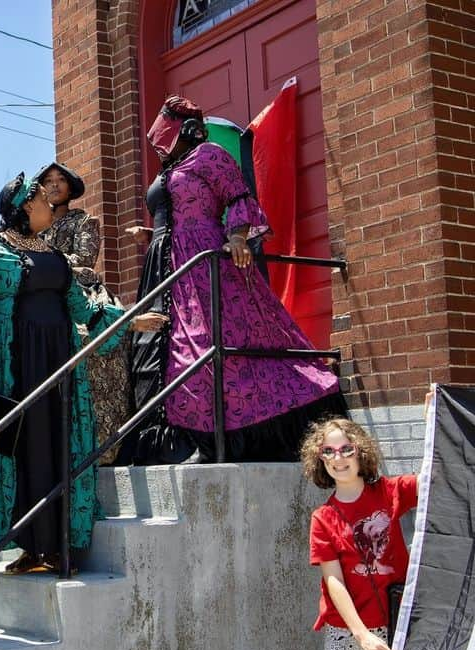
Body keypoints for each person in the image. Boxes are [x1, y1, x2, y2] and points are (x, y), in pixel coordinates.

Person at [119, 95, 345, 465]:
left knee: (202, 346)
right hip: (166, 266)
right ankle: (175, 442)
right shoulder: (173, 167)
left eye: (167, 125)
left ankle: (213, 440)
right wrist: (152, 232)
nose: (159, 136)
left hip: (201, 263)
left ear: (185, 127)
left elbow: (237, 196)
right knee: (169, 349)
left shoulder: (209, 154)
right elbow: (177, 211)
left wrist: (238, 237)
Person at [0, 173, 167, 574]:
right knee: (22, 449)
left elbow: (85, 310)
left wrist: (130, 321)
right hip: (16, 365)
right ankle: (27, 545)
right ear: (24, 207)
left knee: (57, 444)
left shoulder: (54, 255)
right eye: (42, 199)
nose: (50, 206)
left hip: (59, 363)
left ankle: (57, 546)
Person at [303, 417, 417, 650]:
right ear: (320, 458)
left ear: (360, 452)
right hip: (346, 631)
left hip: (391, 627)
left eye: (346, 449)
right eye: (328, 451)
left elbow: (436, 473)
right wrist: (363, 635)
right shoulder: (323, 517)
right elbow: (334, 582)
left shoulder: (390, 492)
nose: (338, 458)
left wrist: (434, 415)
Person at [37, 161, 131, 464]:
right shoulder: (34, 227)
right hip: (44, 297)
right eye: (48, 181)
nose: (53, 185)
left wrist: (45, 266)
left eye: (59, 180)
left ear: (70, 186)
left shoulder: (84, 221)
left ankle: (106, 448)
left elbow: (86, 259)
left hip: (81, 292)